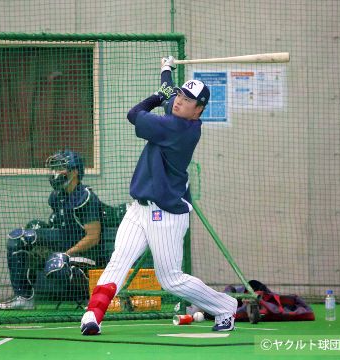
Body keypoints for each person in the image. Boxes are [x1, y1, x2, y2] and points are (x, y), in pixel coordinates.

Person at [80, 56, 238, 335]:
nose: (179, 100)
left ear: (198, 111)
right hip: (139, 209)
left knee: (171, 280)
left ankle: (225, 306)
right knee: (119, 260)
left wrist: (157, 95)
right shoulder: (177, 114)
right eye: (180, 94)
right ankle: (93, 315)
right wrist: (166, 72)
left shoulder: (177, 128)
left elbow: (134, 114)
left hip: (165, 214)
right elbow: (169, 95)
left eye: (188, 100)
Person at [0, 150, 105, 310]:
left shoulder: (85, 198)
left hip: (85, 253)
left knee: (57, 265)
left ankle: (88, 297)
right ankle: (24, 297)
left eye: (60, 168)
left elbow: (93, 237)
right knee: (17, 238)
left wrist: (66, 254)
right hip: (63, 239)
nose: (55, 173)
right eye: (54, 168)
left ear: (74, 172)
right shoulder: (56, 196)